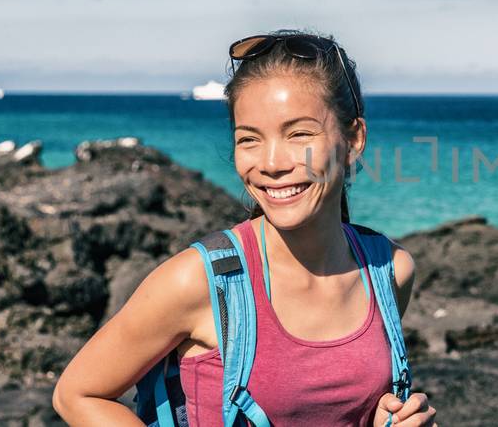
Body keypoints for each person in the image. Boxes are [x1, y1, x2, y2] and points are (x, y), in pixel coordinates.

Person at [53, 31, 437, 426]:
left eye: (299, 134)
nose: (271, 163)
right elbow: (78, 394)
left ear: (353, 138)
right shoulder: (199, 281)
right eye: (249, 139)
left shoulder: (388, 271)